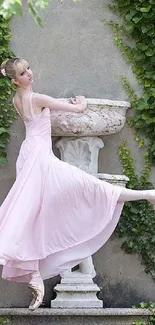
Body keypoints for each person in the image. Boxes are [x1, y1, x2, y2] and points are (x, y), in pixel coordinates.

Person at [0, 57, 155, 310]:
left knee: (33, 213)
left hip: (30, 156)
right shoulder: (35, 98)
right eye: (23, 73)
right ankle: (147, 194)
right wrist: (79, 102)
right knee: (87, 189)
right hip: (40, 161)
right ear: (15, 80)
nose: (30, 73)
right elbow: (77, 110)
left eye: (28, 68)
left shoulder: (16, 99)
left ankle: (34, 274)